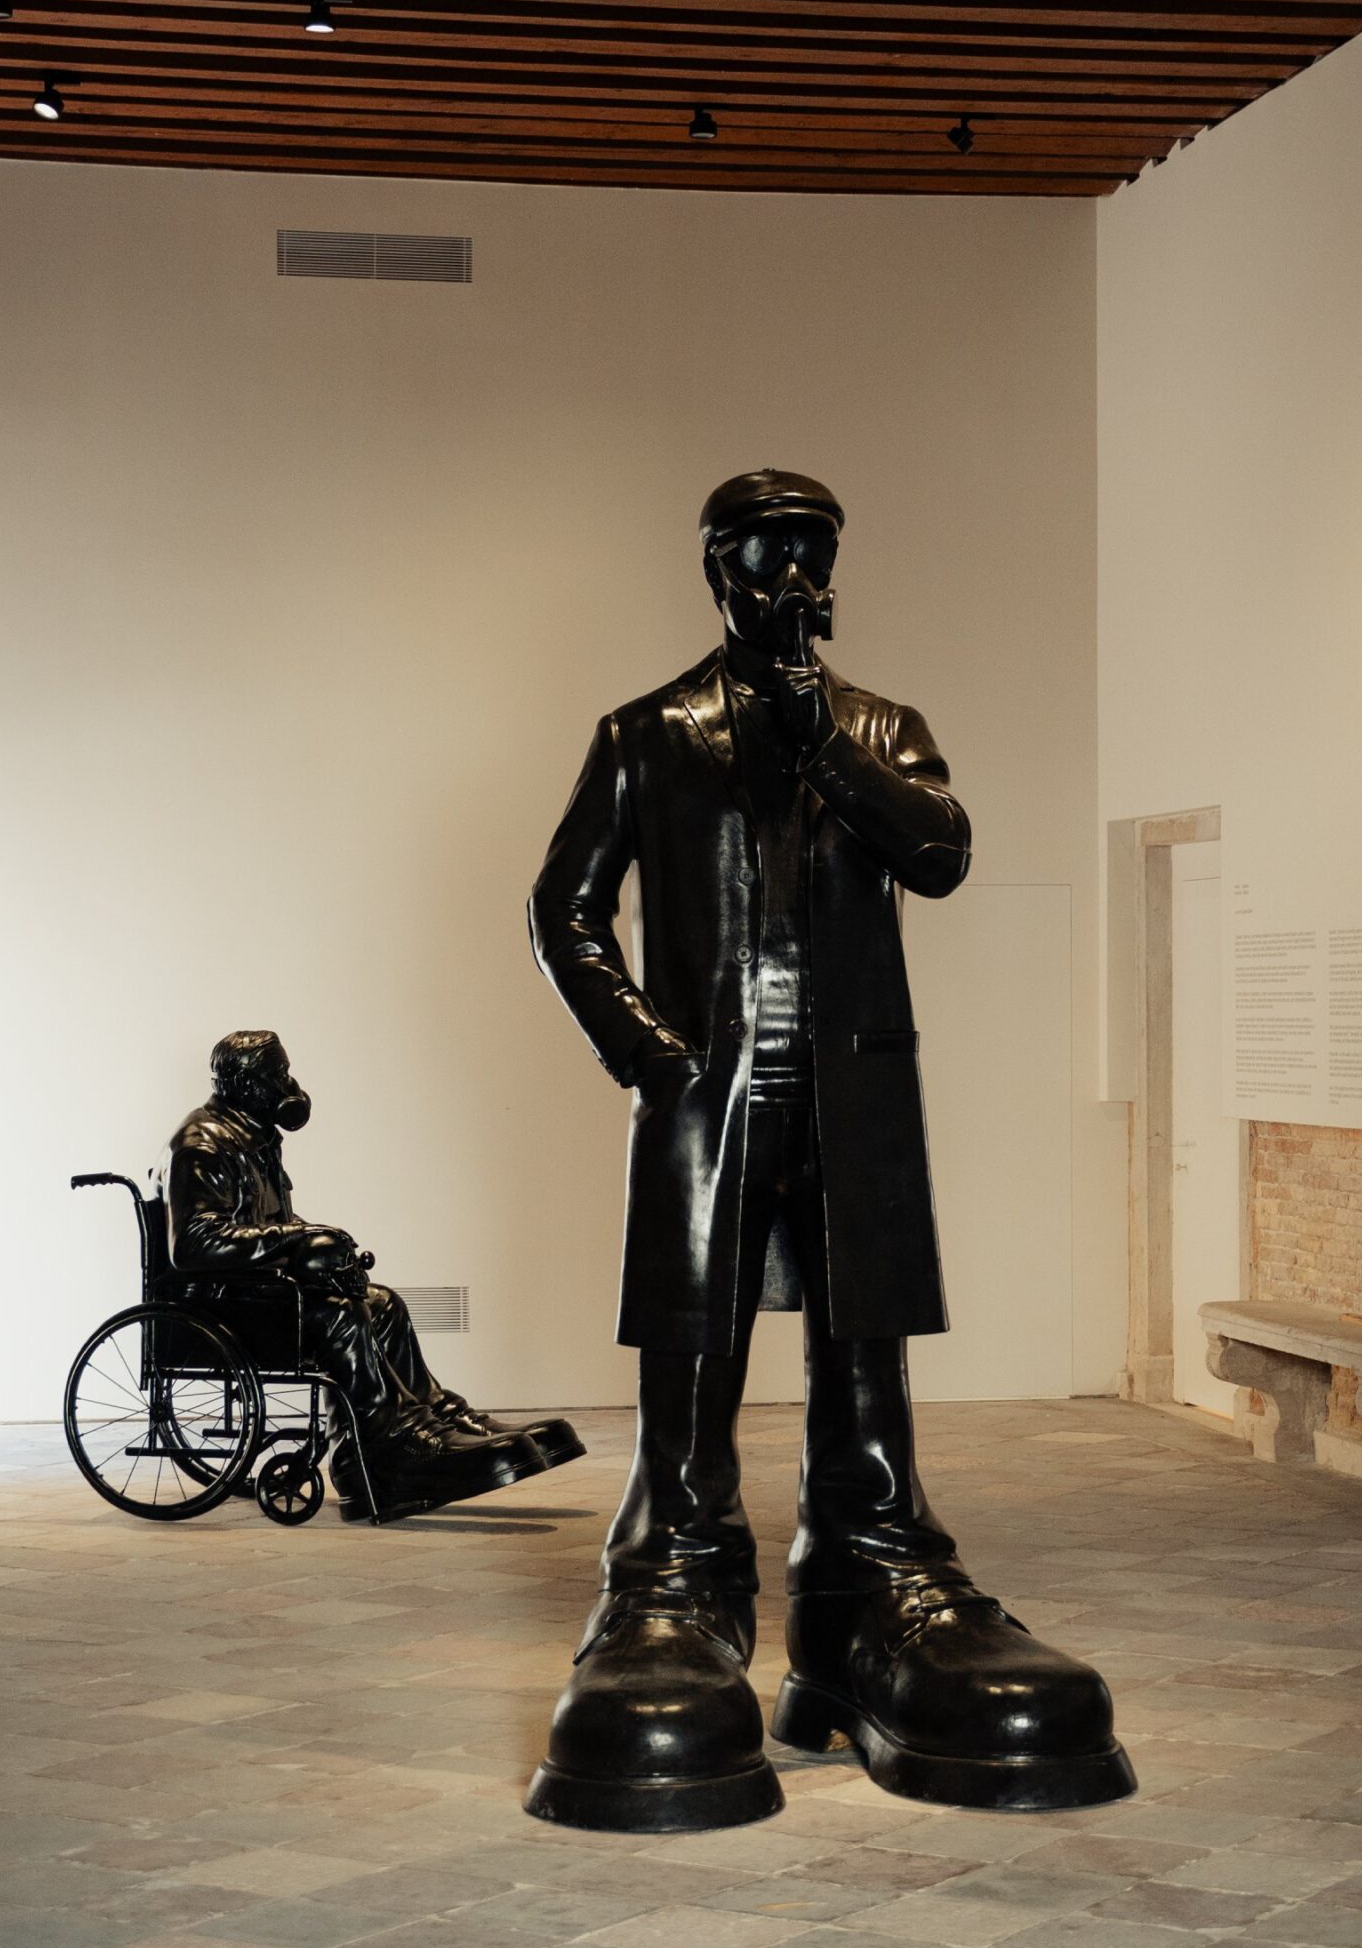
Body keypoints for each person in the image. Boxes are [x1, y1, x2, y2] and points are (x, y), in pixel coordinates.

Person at [524, 467, 1133, 1829]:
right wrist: (650, 1051)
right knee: (694, 1332)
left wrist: (825, 744)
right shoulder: (645, 732)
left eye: (813, 551)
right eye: (766, 554)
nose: (794, 578)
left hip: (852, 1087)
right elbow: (564, 907)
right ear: (716, 570)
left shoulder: (880, 728)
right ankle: (673, 1569)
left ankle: (868, 1569)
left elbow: (939, 854)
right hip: (707, 1088)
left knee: (865, 1330)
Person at [162, 1030, 581, 1522]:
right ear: (244, 1085)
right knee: (341, 1315)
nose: (288, 1085)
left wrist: (314, 1240)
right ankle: (390, 1449)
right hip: (226, 1304)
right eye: (278, 1074)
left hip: (257, 1292)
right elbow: (194, 1244)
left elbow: (263, 1222)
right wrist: (297, 1238)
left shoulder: (253, 1136)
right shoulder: (201, 1144)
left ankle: (428, 1416)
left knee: (381, 1302)